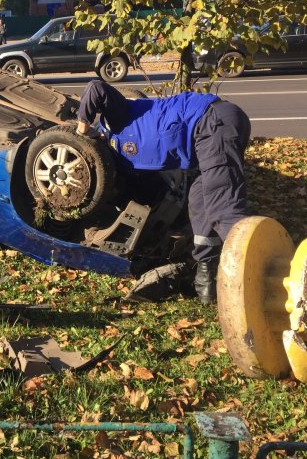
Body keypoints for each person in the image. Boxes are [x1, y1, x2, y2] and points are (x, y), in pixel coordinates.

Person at [76, 79, 251, 304]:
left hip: (212, 121)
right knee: (200, 206)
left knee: (223, 208)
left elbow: (96, 88)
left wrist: (82, 127)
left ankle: (257, 277)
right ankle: (206, 284)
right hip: (204, 140)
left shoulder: (116, 119)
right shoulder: (120, 161)